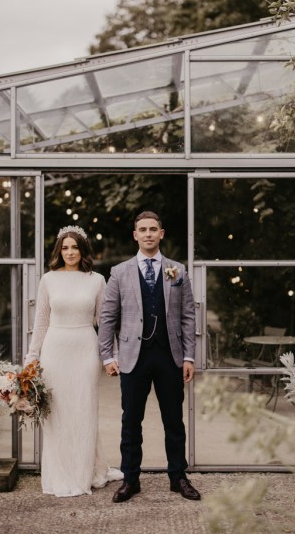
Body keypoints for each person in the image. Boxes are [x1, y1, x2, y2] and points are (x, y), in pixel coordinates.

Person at [98, 211, 201, 502]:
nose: (148, 234)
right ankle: (131, 479)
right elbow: (108, 318)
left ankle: (178, 476)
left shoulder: (177, 270)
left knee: (174, 421)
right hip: (133, 356)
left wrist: (189, 357)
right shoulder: (119, 272)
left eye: (153, 229)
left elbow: (188, 316)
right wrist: (107, 356)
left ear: (161, 233)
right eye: (142, 229)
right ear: (135, 235)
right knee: (131, 420)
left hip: (170, 356)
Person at [24, 225, 123, 497]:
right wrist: (32, 357)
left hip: (85, 350)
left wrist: (109, 356)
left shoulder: (96, 280)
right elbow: (41, 320)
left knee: (83, 410)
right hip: (55, 350)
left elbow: (105, 323)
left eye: (75, 247)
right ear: (59, 250)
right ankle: (59, 473)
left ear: (82, 250)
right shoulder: (48, 279)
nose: (70, 252)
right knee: (57, 413)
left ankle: (83, 473)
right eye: (65, 247)